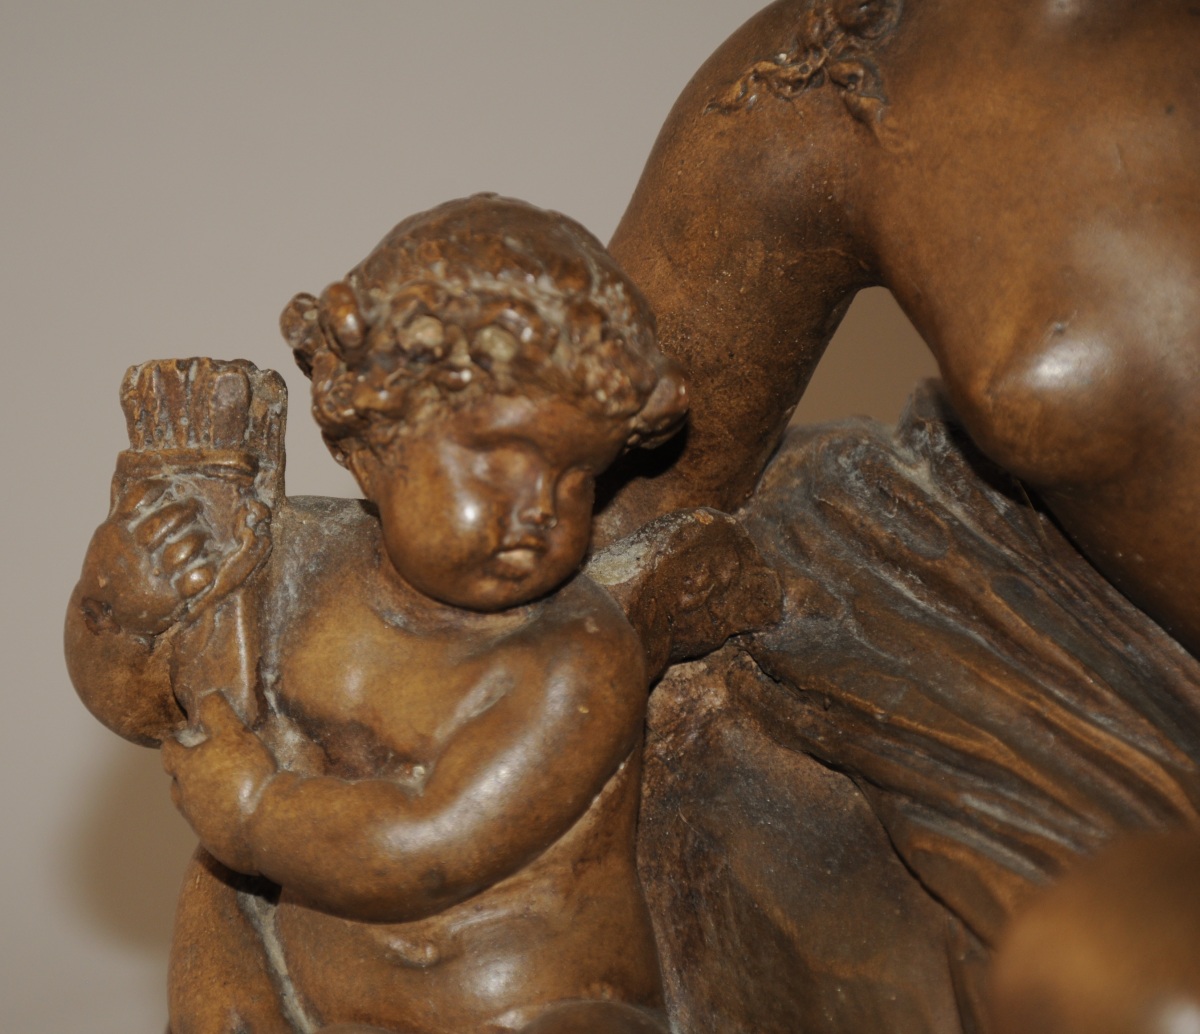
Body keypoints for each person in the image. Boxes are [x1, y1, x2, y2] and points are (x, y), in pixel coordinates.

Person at [67, 195, 688, 1034]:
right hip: (322, 1005)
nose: (540, 508)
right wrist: (121, 604)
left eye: (576, 475)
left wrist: (253, 812)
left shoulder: (575, 658)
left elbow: (431, 843)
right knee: (215, 894)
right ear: (373, 443)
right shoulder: (295, 566)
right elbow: (150, 712)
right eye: (497, 462)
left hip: (529, 1008)